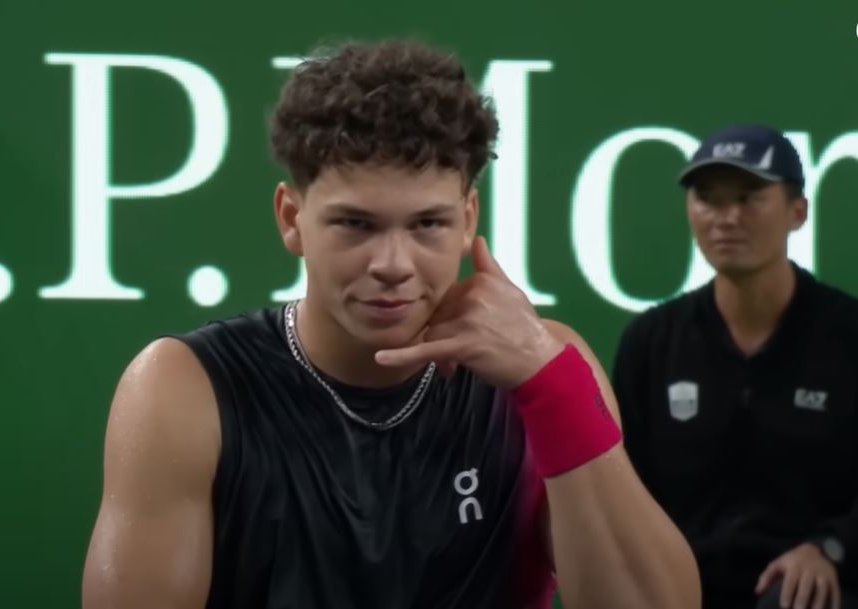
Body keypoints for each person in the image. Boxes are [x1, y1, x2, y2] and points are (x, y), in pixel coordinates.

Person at [81, 39, 700, 609]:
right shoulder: (183, 389)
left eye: (427, 224)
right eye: (356, 224)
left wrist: (551, 385)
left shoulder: (548, 370)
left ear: (467, 219)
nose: (393, 265)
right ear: (292, 219)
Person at [613, 124, 858, 609]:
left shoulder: (848, 334)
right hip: (681, 588)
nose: (727, 217)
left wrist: (831, 548)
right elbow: (620, 493)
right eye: (708, 198)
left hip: (811, 589)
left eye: (748, 197)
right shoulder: (652, 341)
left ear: (798, 212)